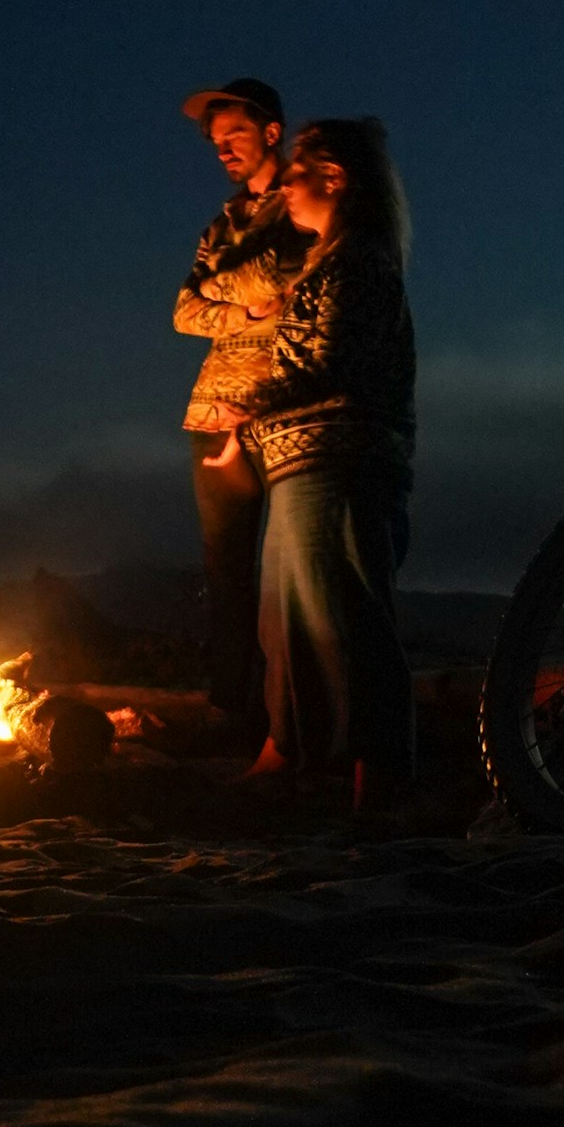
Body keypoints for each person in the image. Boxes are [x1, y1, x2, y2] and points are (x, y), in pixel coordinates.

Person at [201, 116, 416, 817]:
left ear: (336, 178)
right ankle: (287, 753)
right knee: (284, 619)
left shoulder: (360, 262)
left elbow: (331, 362)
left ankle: (377, 778)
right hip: (297, 463)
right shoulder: (326, 260)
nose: (285, 184)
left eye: (298, 171)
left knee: (342, 612)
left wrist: (248, 404)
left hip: (340, 462)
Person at [173, 78, 309, 728]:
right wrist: (248, 306)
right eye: (217, 142)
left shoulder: (309, 201)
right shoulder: (222, 221)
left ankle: (296, 717)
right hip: (211, 414)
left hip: (284, 407)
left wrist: (224, 290)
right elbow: (181, 312)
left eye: (236, 136)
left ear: (272, 132)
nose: (224, 150)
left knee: (293, 572)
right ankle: (232, 710)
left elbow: (281, 268)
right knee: (226, 574)